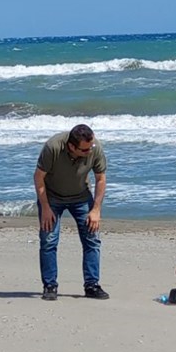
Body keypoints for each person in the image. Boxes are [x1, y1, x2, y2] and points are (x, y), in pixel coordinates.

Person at [33, 123, 108, 301]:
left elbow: (101, 178)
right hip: (52, 197)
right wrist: (45, 208)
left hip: (81, 196)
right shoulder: (53, 147)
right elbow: (38, 177)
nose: (89, 151)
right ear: (71, 146)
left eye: (91, 147)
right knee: (49, 240)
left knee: (92, 239)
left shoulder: (95, 148)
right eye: (84, 150)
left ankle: (92, 285)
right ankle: (50, 285)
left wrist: (96, 209)